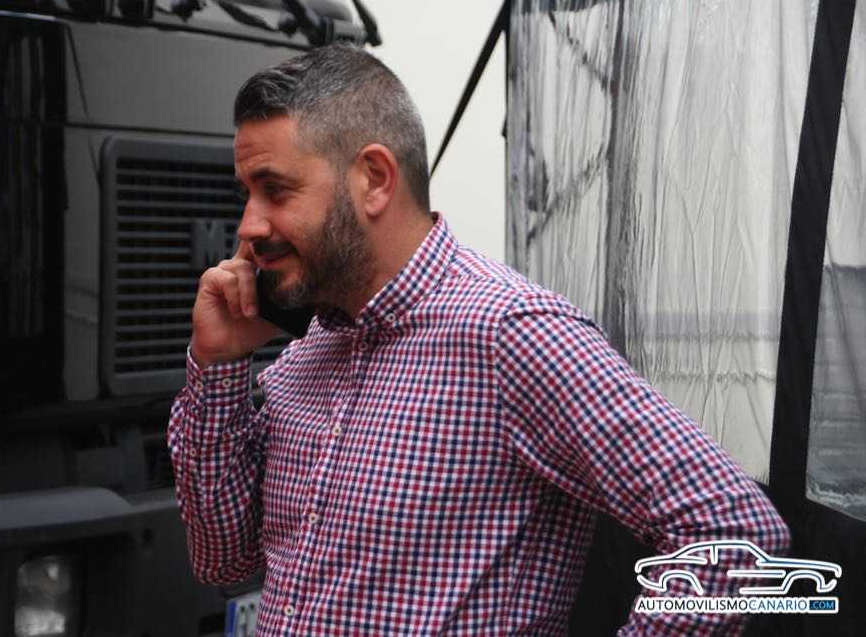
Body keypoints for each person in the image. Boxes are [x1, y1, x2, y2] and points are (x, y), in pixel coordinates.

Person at [168, 43, 789, 635]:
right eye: (247, 194)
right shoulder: (307, 352)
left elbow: (733, 534)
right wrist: (216, 365)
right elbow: (223, 562)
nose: (248, 226)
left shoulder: (512, 335)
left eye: (275, 190)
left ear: (375, 179)